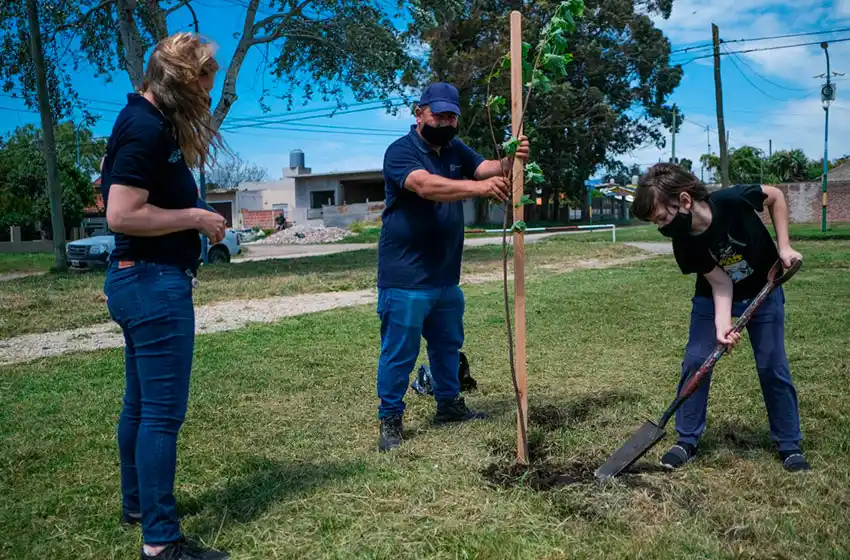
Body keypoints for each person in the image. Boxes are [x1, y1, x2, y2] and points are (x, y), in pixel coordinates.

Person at [100, 33, 230, 559]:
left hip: (142, 280)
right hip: (152, 284)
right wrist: (196, 217)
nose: (208, 88)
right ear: (181, 78)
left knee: (140, 405)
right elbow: (121, 214)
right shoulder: (143, 127)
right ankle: (160, 541)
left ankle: (138, 505)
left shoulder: (155, 124)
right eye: (205, 78)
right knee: (161, 416)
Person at [376, 82, 529, 451]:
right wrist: (480, 189)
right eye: (438, 114)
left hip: (446, 276)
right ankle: (390, 418)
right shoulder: (400, 152)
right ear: (419, 114)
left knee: (447, 345)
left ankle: (449, 404)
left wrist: (514, 155)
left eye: (451, 115)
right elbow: (426, 186)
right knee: (400, 350)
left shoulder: (454, 148)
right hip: (406, 277)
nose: (445, 122)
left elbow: (488, 167)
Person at [630, 163, 811, 473]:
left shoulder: (732, 201)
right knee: (696, 360)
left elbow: (777, 197)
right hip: (711, 297)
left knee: (772, 365)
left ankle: (789, 444)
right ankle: (686, 440)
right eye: (655, 222)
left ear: (685, 201)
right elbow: (720, 281)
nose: (661, 227)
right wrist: (722, 323)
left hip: (763, 289)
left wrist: (784, 246)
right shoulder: (683, 242)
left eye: (662, 218)